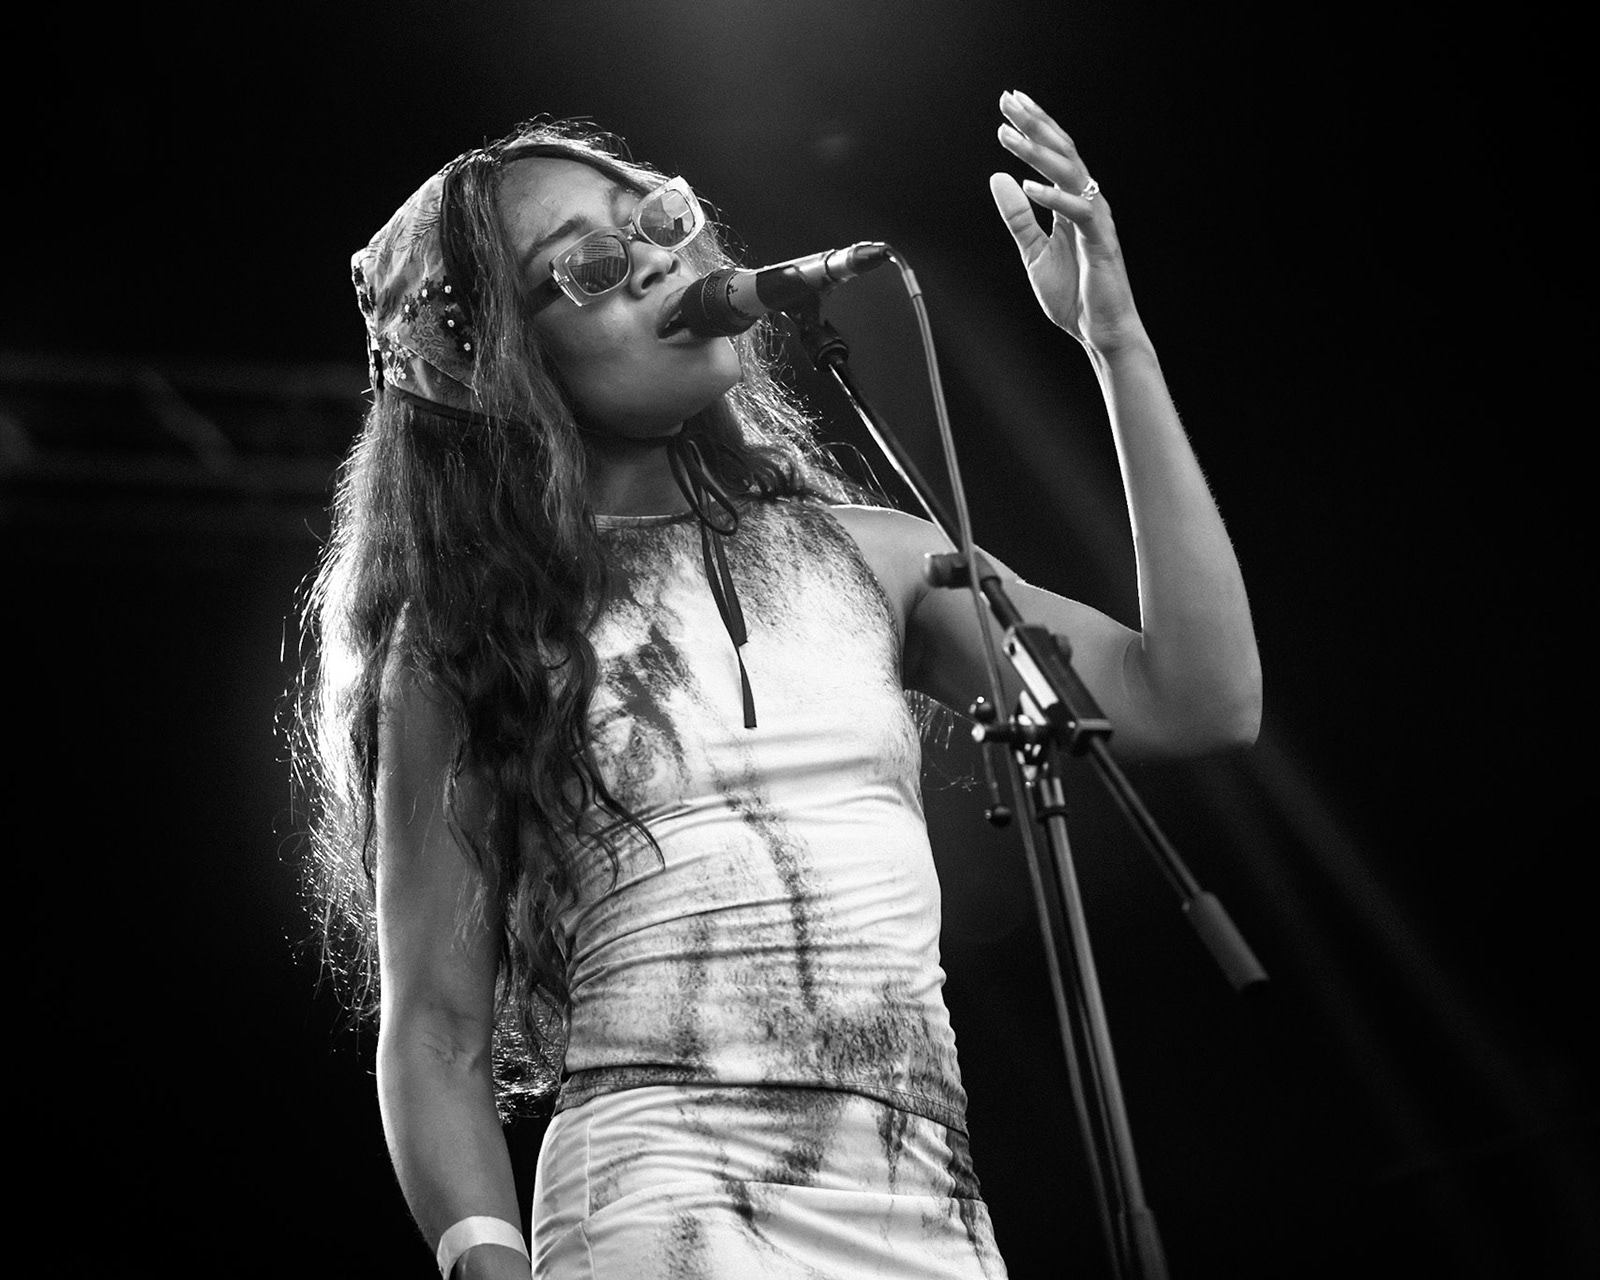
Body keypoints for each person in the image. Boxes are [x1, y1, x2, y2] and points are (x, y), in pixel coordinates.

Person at [294, 90, 1260, 1279]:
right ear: (498, 363)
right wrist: (488, 1265)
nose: (661, 260)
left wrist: (1117, 343)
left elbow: (1196, 698)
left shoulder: (879, 556)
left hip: (925, 1206)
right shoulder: (473, 633)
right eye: (591, 267)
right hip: (662, 1201)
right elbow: (436, 1033)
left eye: (660, 220)